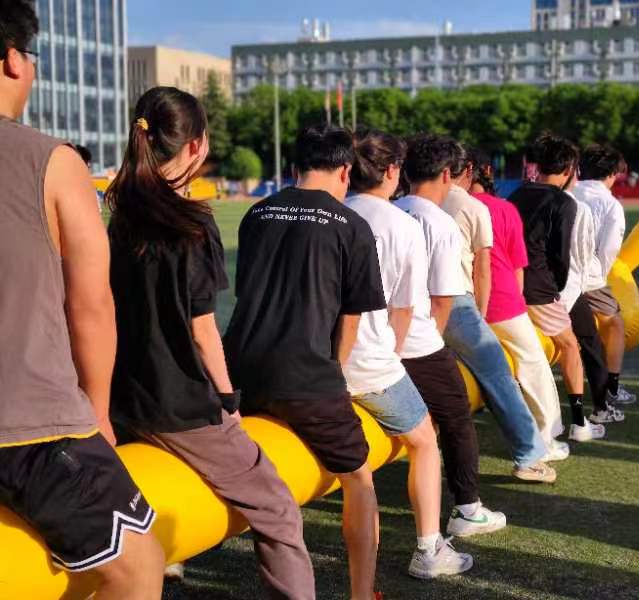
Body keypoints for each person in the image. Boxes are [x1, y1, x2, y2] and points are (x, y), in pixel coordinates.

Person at [106, 87, 315, 599]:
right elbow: (203, 333)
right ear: (196, 147)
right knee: (279, 510)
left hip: (124, 401)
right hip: (180, 407)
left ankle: (170, 562)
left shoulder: (119, 217)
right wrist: (228, 401)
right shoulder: (193, 223)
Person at [0, 3, 164, 598]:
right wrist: (97, 412)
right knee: (140, 566)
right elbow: (91, 304)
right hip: (30, 429)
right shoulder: (53, 161)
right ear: (14, 60)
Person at [224, 125, 384, 600]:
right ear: (345, 171)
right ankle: (362, 594)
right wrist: (333, 376)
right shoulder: (351, 225)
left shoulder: (257, 213)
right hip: (305, 375)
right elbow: (350, 321)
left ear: (296, 168)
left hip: (239, 369)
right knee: (359, 477)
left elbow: (248, 294)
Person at [344, 128, 473, 579]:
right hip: (369, 364)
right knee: (425, 441)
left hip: (317, 363)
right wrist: (393, 359)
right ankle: (428, 548)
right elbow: (403, 309)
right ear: (392, 170)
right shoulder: (403, 225)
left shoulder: (334, 211)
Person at [394, 134, 507, 536]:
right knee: (457, 414)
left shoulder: (390, 210)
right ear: (447, 174)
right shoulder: (440, 223)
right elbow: (443, 300)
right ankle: (467, 507)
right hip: (417, 340)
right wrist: (435, 345)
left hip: (377, 339)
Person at [440, 145, 561, 477]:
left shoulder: (423, 204)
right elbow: (509, 266)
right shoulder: (493, 208)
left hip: (434, 308)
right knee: (529, 364)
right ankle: (543, 441)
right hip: (491, 302)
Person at [469, 152, 570, 458]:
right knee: (534, 364)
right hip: (501, 302)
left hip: (456, 307)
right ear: (487, 171)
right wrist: (519, 303)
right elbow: (517, 266)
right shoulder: (502, 208)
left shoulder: (446, 208)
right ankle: (546, 439)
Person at [507, 133, 606, 442]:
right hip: (539, 289)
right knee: (570, 347)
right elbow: (560, 256)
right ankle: (579, 423)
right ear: (569, 169)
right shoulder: (563, 202)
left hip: (509, 285)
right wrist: (556, 290)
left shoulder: (516, 194)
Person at [574, 144, 637, 407]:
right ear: (612, 173)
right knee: (615, 323)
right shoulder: (610, 204)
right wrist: (598, 274)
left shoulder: (569, 192)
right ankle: (612, 385)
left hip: (553, 275)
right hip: (587, 276)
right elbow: (609, 250)